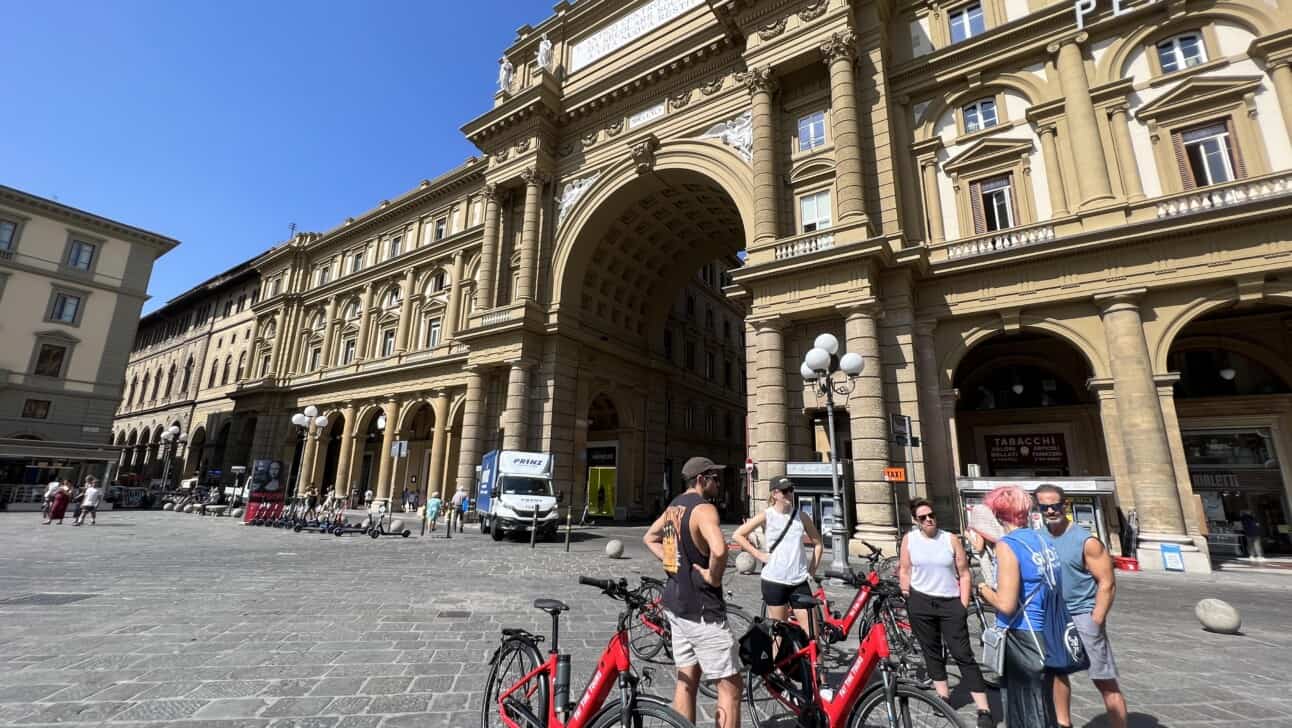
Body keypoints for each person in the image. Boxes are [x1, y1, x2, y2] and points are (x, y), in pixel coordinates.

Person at [643, 457, 742, 728]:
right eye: (715, 478)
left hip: (676, 606)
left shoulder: (674, 506)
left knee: (686, 680)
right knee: (730, 687)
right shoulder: (703, 509)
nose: (719, 483)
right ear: (701, 479)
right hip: (702, 611)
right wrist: (713, 575)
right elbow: (720, 550)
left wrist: (672, 561)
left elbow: (649, 537)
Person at [1036, 485, 1126, 728]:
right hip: (1054, 616)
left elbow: (1107, 582)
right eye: (1045, 507)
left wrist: (1097, 617)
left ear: (1065, 505)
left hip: (1083, 613)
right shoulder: (1039, 538)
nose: (1051, 510)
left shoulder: (1086, 541)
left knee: (1103, 677)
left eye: (1055, 505)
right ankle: (1064, 723)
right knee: (1057, 671)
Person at [899, 499, 993, 728]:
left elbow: (964, 572)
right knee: (931, 651)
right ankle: (944, 698)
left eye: (930, 515)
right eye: (922, 517)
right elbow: (905, 569)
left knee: (962, 653)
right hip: (920, 602)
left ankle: (984, 708)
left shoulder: (949, 539)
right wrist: (906, 592)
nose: (929, 519)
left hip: (950, 602)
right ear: (916, 521)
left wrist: (962, 604)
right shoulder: (909, 540)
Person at [976, 485, 1058, 728]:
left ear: (999, 515)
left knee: (1023, 709)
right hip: (1046, 631)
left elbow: (1006, 604)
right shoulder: (1043, 540)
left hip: (1021, 635)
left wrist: (983, 590)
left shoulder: (1008, 545)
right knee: (1042, 704)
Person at [732, 475, 822, 628]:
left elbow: (818, 544)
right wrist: (759, 555)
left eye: (791, 490)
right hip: (774, 580)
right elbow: (737, 535)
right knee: (779, 633)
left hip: (798, 581)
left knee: (813, 634)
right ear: (775, 494)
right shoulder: (767, 515)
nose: (789, 494)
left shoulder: (801, 516)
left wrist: (811, 571)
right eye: (785, 491)